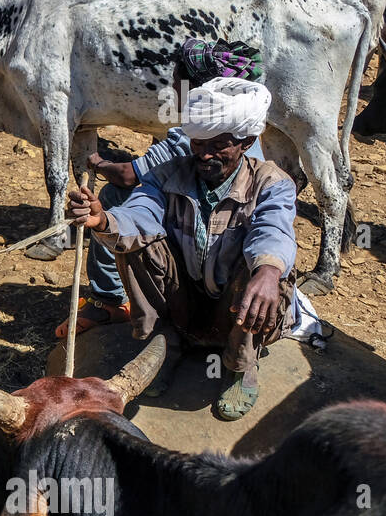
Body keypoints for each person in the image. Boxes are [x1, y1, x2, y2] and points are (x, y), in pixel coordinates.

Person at [68, 76, 297, 421]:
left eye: (218, 144)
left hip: (231, 303)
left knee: (267, 270)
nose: (204, 153)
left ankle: (239, 363)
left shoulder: (271, 183)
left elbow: (273, 229)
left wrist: (268, 269)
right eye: (198, 142)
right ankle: (169, 341)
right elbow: (140, 212)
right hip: (183, 297)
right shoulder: (168, 175)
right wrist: (104, 221)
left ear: (247, 141)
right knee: (133, 243)